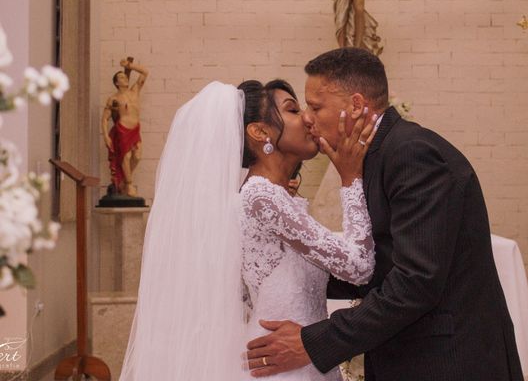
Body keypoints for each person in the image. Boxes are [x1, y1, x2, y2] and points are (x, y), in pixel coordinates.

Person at [246, 48, 524, 381]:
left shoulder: (412, 154)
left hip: (447, 361)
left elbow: (415, 282)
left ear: (356, 106)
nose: (307, 117)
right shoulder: (376, 155)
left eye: (316, 106)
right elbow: (381, 261)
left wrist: (313, 342)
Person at [118, 79, 378, 380]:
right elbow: (358, 266)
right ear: (260, 132)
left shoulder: (276, 198)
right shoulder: (261, 197)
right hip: (281, 367)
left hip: (298, 359)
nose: (307, 118)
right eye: (293, 109)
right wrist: (350, 178)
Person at [102, 57, 148, 197]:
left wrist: (130, 65)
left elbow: (145, 72)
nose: (125, 79)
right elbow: (104, 118)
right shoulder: (114, 99)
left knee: (138, 156)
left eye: (124, 76)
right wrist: (105, 135)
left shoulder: (135, 91)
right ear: (116, 82)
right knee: (126, 157)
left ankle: (122, 180)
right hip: (122, 129)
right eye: (121, 78)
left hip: (135, 129)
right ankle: (129, 185)